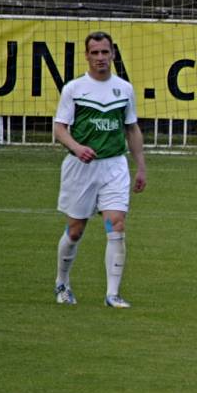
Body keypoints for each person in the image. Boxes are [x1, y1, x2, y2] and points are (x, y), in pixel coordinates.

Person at [53, 31, 146, 308]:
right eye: (95, 53)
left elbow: (131, 128)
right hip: (81, 168)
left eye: (105, 52)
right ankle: (62, 283)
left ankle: (113, 294)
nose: (100, 58)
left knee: (116, 223)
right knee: (76, 229)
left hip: (114, 166)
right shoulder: (74, 89)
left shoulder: (124, 89)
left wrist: (140, 166)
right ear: (86, 56)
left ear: (113, 54)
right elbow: (59, 129)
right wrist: (77, 147)